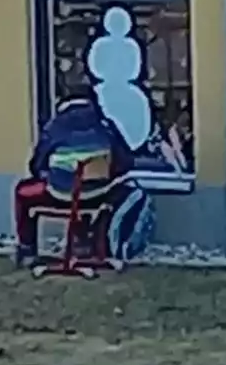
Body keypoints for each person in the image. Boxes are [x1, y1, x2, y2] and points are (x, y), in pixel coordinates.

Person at [12, 97, 155, 267]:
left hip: (61, 195)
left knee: (23, 191)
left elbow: (36, 165)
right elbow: (125, 163)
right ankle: (89, 243)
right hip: (99, 194)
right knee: (120, 191)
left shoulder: (54, 128)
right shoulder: (106, 127)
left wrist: (53, 172)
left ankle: (28, 249)